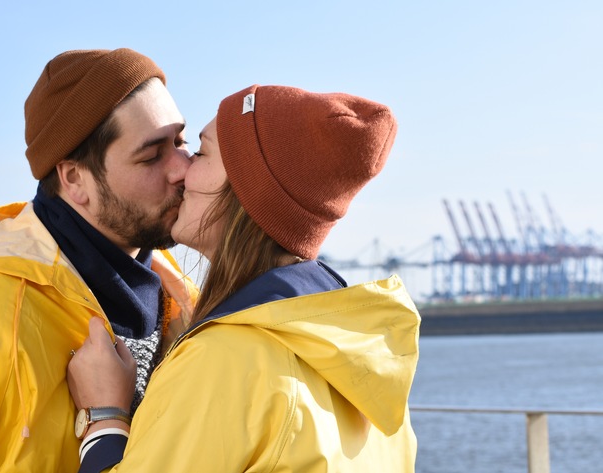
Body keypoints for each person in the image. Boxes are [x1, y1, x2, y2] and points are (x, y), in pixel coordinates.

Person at [68, 84, 421, 472]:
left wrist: (104, 419)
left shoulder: (224, 361)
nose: (182, 170)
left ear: (244, 191)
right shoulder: (368, 373)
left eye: (200, 152)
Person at [0, 48, 197, 471]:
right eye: (151, 155)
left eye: (181, 141)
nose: (182, 168)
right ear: (74, 179)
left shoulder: (188, 305)